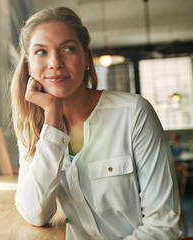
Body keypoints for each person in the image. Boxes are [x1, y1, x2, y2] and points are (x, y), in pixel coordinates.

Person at [10, 7, 181, 240]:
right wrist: (52, 120)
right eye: (41, 52)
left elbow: (164, 226)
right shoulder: (32, 128)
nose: (55, 62)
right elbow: (35, 213)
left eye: (67, 48)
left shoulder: (133, 114)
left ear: (86, 59)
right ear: (30, 66)